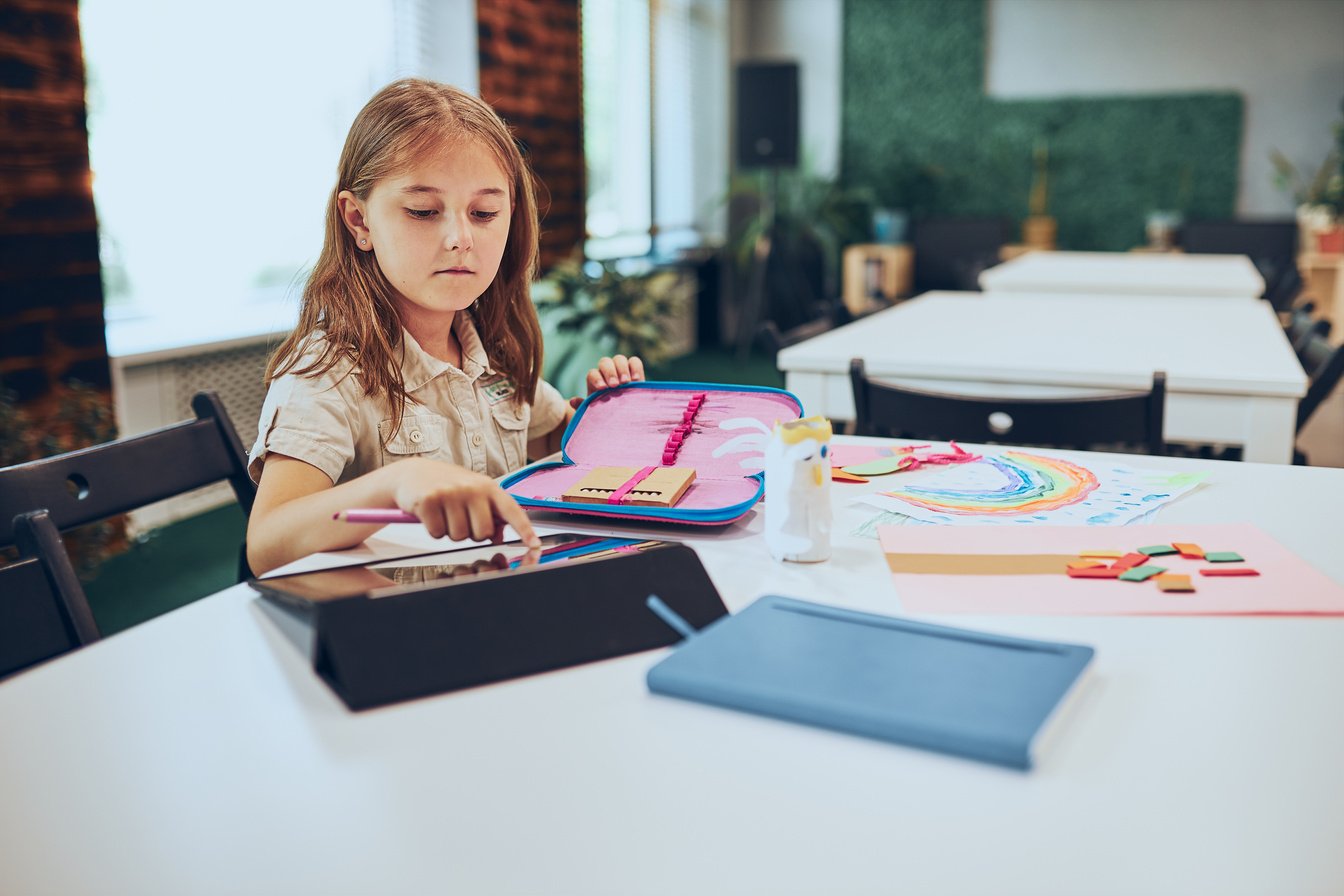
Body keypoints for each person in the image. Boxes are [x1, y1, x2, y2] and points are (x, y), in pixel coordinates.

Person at [246, 79, 643, 575]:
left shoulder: (490, 344)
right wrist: (395, 486)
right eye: (423, 212)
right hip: (399, 624)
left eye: (484, 213)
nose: (460, 238)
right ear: (358, 221)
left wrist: (607, 419)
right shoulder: (326, 372)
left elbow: (543, 448)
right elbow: (266, 542)